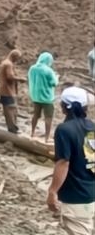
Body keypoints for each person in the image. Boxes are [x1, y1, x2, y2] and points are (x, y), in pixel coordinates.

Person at [47, 86, 95, 235]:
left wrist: (52, 191)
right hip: (91, 192)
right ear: (86, 107)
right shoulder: (92, 126)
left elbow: (63, 163)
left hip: (76, 196)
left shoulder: (64, 130)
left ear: (63, 107)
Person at [29, 51, 60, 142]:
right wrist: (57, 77)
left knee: (35, 115)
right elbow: (54, 83)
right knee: (48, 117)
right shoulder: (48, 70)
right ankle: (47, 137)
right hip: (47, 98)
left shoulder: (32, 68)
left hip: (36, 96)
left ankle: (32, 132)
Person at [0, 49, 25, 134]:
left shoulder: (5, 62)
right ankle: (13, 128)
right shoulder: (8, 64)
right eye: (17, 58)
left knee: (8, 109)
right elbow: (10, 76)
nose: (17, 60)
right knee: (11, 109)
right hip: (7, 90)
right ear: (14, 57)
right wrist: (20, 79)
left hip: (3, 89)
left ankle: (11, 127)